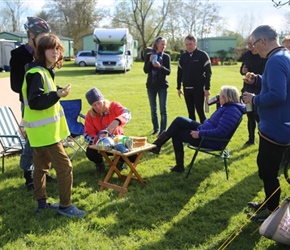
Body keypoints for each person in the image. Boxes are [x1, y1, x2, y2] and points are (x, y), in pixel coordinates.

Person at [21, 34, 86, 217]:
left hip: (39, 133)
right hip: (46, 135)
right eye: (51, 48)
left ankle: (42, 204)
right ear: (41, 51)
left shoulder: (42, 71)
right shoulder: (37, 73)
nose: (55, 52)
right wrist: (57, 95)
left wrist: (57, 91)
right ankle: (66, 206)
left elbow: (41, 95)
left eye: (58, 48)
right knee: (65, 168)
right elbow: (35, 102)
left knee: (40, 168)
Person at [243, 25, 290, 222]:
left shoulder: (274, 61)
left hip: (275, 128)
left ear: (263, 41)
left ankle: (272, 213)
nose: (254, 49)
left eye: (254, 44)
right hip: (283, 124)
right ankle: (269, 203)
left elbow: (278, 94)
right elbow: (278, 84)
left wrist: (254, 99)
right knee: (269, 169)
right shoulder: (285, 56)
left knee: (267, 170)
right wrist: (259, 79)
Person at [150, 85, 246, 173]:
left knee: (177, 134)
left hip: (209, 140)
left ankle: (173, 160)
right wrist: (218, 103)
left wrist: (199, 134)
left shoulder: (231, 111)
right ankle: (157, 145)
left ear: (226, 98)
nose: (218, 97)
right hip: (204, 129)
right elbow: (219, 120)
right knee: (179, 120)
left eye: (220, 96)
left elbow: (221, 132)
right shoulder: (228, 107)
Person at [9, 17, 56, 191]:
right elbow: (15, 86)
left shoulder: (45, 52)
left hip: (47, 103)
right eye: (42, 35)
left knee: (45, 138)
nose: (46, 39)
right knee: (31, 140)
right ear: (31, 34)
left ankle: (42, 171)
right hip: (30, 105)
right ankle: (28, 175)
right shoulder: (19, 55)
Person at [84, 87, 133, 172]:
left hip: (118, 141)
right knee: (90, 152)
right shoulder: (90, 115)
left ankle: (119, 162)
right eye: (94, 105)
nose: (98, 107)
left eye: (99, 103)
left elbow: (127, 113)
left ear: (103, 100)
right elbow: (87, 135)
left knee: (133, 154)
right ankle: (99, 163)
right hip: (102, 145)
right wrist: (99, 138)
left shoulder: (113, 106)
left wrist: (117, 120)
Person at [238, 35, 267, 146]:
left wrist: (255, 77)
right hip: (247, 89)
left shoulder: (263, 56)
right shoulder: (247, 55)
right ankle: (251, 139)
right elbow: (242, 69)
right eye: (248, 43)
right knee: (249, 115)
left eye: (251, 43)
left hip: (259, 90)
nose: (249, 46)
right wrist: (243, 70)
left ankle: (264, 139)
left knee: (258, 116)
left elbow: (266, 74)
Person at [177, 34, 212, 123]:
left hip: (198, 88)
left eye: (190, 44)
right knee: (190, 113)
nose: (188, 46)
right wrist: (178, 87)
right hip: (186, 89)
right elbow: (179, 73)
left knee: (200, 112)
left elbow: (208, 73)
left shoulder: (202, 55)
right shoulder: (183, 57)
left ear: (195, 43)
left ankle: (204, 132)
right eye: (187, 44)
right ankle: (193, 134)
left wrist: (207, 88)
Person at [143, 37, 171, 136]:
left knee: (163, 109)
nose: (164, 46)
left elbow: (168, 72)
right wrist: (150, 62)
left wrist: (160, 66)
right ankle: (156, 128)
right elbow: (146, 70)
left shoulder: (166, 57)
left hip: (162, 86)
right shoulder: (149, 55)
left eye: (165, 44)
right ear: (156, 45)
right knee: (153, 109)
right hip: (151, 86)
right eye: (162, 44)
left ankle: (163, 130)